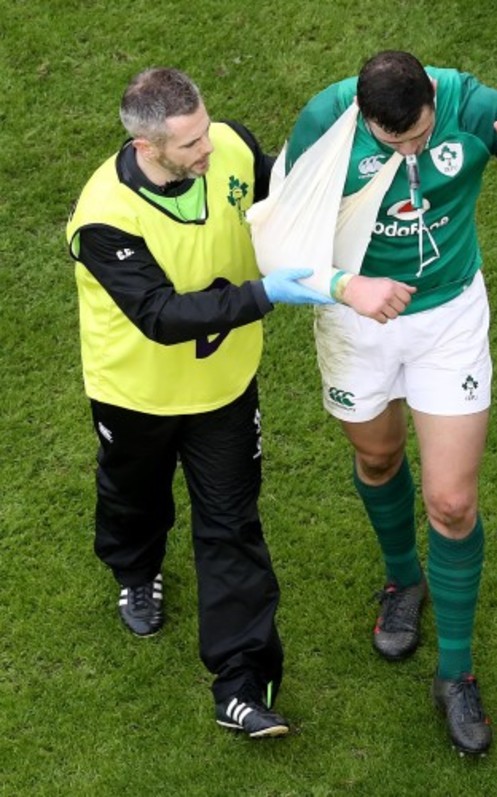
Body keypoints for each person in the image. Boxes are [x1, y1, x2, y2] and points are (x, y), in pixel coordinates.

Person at [282, 50, 497, 755]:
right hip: (357, 318)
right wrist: (346, 285)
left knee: (452, 501)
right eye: (395, 144)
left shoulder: (476, 107)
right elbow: (277, 244)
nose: (414, 151)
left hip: (448, 318)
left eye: (422, 137)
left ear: (431, 95)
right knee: (378, 455)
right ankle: (403, 578)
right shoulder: (326, 121)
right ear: (365, 117)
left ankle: (454, 672)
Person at [66, 67, 332, 739]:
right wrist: (267, 293)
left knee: (231, 524)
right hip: (136, 395)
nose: (208, 152)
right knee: (134, 498)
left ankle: (241, 684)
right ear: (147, 146)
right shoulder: (104, 218)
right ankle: (136, 568)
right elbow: (159, 314)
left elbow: (284, 191)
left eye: (205, 131)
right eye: (189, 147)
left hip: (224, 392)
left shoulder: (229, 146)